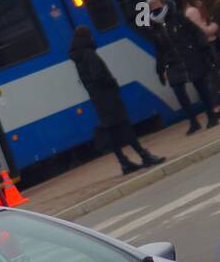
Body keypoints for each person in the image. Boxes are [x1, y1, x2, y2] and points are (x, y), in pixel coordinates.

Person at [70, 25, 166, 175]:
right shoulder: (90, 55)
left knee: (113, 132)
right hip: (108, 98)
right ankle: (144, 155)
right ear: (87, 38)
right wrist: (112, 82)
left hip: (98, 101)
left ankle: (124, 162)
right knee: (125, 127)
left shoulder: (78, 58)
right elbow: (98, 75)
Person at [146, 0, 220, 134]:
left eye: (155, 4)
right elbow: (159, 49)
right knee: (178, 91)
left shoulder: (177, 17)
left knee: (201, 86)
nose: (153, 8)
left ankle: (211, 115)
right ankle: (193, 121)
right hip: (173, 62)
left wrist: (204, 49)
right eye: (150, 6)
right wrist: (160, 69)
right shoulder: (154, 26)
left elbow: (196, 32)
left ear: (163, 3)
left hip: (190, 56)